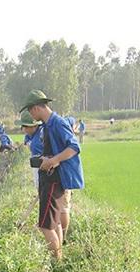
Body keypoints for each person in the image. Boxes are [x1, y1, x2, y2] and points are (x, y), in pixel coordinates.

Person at [20, 89, 84, 259]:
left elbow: (74, 147)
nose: (30, 116)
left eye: (29, 111)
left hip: (54, 180)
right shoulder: (48, 125)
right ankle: (60, 258)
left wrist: (54, 160)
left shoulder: (57, 123)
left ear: (35, 108)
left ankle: (57, 262)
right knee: (54, 224)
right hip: (49, 177)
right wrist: (45, 158)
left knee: (45, 226)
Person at [19, 111, 43, 190]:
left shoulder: (38, 140)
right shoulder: (33, 134)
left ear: (34, 126)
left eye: (25, 127)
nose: (24, 129)